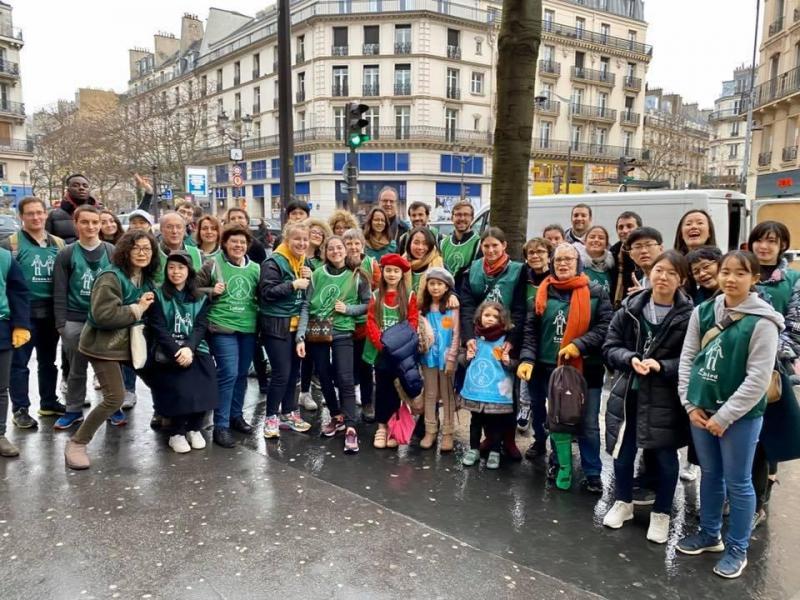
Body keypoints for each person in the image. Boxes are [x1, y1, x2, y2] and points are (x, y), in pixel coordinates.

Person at [677, 250, 783, 579]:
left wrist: (724, 417)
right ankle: (710, 535)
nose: (731, 279)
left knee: (738, 482)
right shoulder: (704, 311)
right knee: (711, 474)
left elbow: (757, 379)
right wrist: (689, 404)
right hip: (701, 410)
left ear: (755, 279)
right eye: (726, 272)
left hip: (741, 417)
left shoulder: (764, 322)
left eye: (740, 273)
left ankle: (738, 548)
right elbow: (688, 359)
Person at [602, 250, 693, 544]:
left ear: (681, 279)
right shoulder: (629, 308)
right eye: (658, 271)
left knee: (666, 457)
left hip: (666, 397)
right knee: (622, 452)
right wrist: (629, 358)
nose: (663, 277)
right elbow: (610, 346)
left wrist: (662, 366)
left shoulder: (691, 316)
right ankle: (623, 502)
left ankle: (662, 514)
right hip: (629, 391)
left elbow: (692, 359)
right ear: (649, 274)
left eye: (671, 273)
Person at [517, 243, 612, 492]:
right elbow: (530, 331)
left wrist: (579, 345)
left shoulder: (596, 292)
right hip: (546, 368)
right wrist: (527, 359)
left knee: (589, 423)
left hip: (585, 369)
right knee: (555, 421)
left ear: (578, 262)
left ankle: (592, 471)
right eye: (558, 259)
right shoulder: (541, 293)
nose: (563, 264)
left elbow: (605, 327)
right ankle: (558, 464)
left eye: (568, 259)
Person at [63, 230, 159, 470]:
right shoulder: (110, 277)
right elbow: (102, 316)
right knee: (115, 397)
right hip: (102, 345)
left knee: (161, 375)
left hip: (129, 344)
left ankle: (168, 418)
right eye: (136, 247)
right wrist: (137, 309)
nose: (142, 253)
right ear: (124, 250)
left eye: (147, 248)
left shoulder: (144, 278)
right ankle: (77, 443)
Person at [746, 221, 800, 528]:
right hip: (736, 371)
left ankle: (758, 502)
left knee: (766, 441)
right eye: (760, 240)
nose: (764, 246)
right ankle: (739, 497)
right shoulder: (742, 270)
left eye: (772, 241)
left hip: (772, 374)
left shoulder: (792, 280)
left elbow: (795, 327)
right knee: (741, 439)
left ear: (782, 246)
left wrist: (769, 353)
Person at [296, 235, 370, 453]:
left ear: (346, 250)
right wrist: (300, 335)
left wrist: (348, 310)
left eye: (340, 248)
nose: (336, 251)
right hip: (318, 331)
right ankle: (336, 416)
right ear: (324, 252)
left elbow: (367, 305)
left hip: (342, 332)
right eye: (331, 248)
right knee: (324, 376)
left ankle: (350, 427)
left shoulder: (357, 275)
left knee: (345, 378)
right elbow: (306, 306)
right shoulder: (317, 275)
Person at [140, 251, 218, 453]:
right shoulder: (158, 295)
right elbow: (159, 328)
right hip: (168, 349)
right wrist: (178, 351)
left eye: (181, 268)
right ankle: (177, 432)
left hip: (193, 348)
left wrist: (189, 349)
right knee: (180, 387)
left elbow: (201, 326)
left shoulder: (199, 297)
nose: (176, 272)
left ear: (189, 271)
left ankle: (194, 428)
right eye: (172, 267)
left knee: (205, 379)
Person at [460, 227, 527, 460]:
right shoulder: (474, 269)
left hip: (506, 335)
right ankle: (487, 441)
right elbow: (468, 306)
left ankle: (505, 440)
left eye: (494, 245)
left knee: (505, 393)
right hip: (480, 336)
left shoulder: (518, 270)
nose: (490, 250)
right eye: (486, 246)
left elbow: (519, 309)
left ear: (504, 245)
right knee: (483, 390)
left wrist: (510, 341)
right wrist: (469, 337)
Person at [196, 225, 261, 448]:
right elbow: (192, 289)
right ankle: (220, 426)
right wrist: (211, 291)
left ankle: (235, 416)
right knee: (229, 374)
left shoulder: (255, 269)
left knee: (242, 375)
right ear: (225, 243)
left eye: (242, 243)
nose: (238, 246)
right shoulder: (213, 264)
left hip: (248, 328)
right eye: (234, 242)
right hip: (222, 327)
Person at [52, 206, 115, 430]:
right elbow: (59, 291)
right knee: (76, 368)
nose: (90, 227)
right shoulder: (67, 253)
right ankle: (73, 410)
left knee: (107, 367)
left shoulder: (111, 251)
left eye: (95, 222)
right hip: (75, 319)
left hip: (105, 319)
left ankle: (112, 407)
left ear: (100, 224)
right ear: (75, 224)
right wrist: (61, 324)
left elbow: (121, 287)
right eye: (85, 222)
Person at [5, 197, 66, 430]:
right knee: (19, 364)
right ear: (21, 216)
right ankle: (20, 409)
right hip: (22, 314)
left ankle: (49, 402)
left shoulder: (59, 244)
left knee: (49, 361)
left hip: (51, 312)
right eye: (30, 213)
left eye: (40, 213)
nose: (36, 217)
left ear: (46, 214)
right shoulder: (11, 244)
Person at [259, 222, 313, 439]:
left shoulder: (304, 261)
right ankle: (271, 417)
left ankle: (290, 413)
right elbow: (266, 292)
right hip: (276, 326)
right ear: (286, 240)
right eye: (297, 239)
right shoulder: (273, 261)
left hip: (297, 326)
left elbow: (309, 293)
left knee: (294, 374)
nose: (301, 243)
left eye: (305, 239)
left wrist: (312, 275)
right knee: (281, 373)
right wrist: (293, 285)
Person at [363, 253, 418, 449]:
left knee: (398, 391)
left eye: (396, 271)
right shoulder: (376, 295)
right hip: (382, 353)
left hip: (400, 353)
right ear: (383, 272)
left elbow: (413, 322)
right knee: (382, 389)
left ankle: (395, 427)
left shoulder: (409, 296)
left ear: (402, 274)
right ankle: (381, 427)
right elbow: (371, 321)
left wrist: (398, 346)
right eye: (388, 270)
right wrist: (381, 344)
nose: (392, 274)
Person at [461, 301, 515, 469]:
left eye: (495, 316)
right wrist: (467, 357)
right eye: (487, 315)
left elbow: (516, 363)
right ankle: (474, 449)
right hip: (476, 389)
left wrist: (509, 362)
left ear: (502, 319)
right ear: (480, 316)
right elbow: (462, 359)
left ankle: (495, 451)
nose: (490, 319)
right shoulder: (473, 338)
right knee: (475, 420)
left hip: (497, 392)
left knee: (496, 423)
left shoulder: (506, 340)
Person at [418, 267, 459, 452]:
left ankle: (448, 432)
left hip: (446, 358)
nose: (435, 288)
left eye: (439, 284)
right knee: (430, 394)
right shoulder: (423, 308)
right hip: (428, 357)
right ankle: (430, 430)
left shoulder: (452, 307)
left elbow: (456, 334)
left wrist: (452, 357)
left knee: (448, 394)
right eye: (432, 283)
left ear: (447, 287)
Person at [517, 237, 553, 442]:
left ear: (549, 255)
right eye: (531, 253)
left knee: (553, 400)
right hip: (529, 343)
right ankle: (539, 441)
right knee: (536, 400)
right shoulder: (524, 277)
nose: (536, 256)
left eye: (540, 251)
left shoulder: (556, 278)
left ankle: (556, 449)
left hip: (550, 342)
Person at [343, 228, 379, 421]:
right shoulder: (338, 263)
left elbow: (378, 290)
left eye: (357, 243)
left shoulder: (371, 264)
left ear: (363, 245)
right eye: (349, 243)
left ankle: (367, 403)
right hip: (343, 325)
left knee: (366, 366)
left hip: (365, 324)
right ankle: (345, 405)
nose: (353, 247)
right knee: (346, 368)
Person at [0, 243, 31, 457]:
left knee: (1, 388)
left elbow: (19, 292)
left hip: (1, 327)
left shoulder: (5, 258)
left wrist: (20, 324)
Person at [154, 212, 204, 286]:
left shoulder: (198, 254)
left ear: (184, 230)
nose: (174, 231)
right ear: (161, 230)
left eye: (179, 227)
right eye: (169, 227)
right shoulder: (152, 253)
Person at [45, 174, 98, 244]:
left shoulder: (100, 212)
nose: (81, 188)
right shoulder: (53, 215)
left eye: (85, 186)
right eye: (76, 185)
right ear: (68, 189)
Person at [440, 200, 481, 289]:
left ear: (472, 218)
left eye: (466, 215)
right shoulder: (443, 243)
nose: (462, 218)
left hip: (466, 296)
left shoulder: (479, 243)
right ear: (452, 218)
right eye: (458, 215)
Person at [611, 211, 643, 308]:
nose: (624, 231)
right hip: (616, 309)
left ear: (639, 229)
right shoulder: (612, 253)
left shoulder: (648, 254)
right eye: (620, 227)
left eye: (629, 226)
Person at [404, 226, 443, 295]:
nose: (420, 247)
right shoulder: (401, 264)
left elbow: (449, 288)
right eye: (416, 243)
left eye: (425, 243)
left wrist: (452, 295)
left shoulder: (439, 264)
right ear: (409, 244)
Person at [577, 225, 614, 296]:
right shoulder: (576, 265)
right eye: (592, 237)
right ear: (585, 241)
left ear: (606, 244)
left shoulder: (612, 267)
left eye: (601, 238)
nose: (596, 240)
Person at [626, 227, 664, 293]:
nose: (644, 251)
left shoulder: (671, 276)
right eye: (638, 247)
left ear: (661, 249)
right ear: (631, 254)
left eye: (649, 245)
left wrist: (644, 295)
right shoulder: (639, 283)